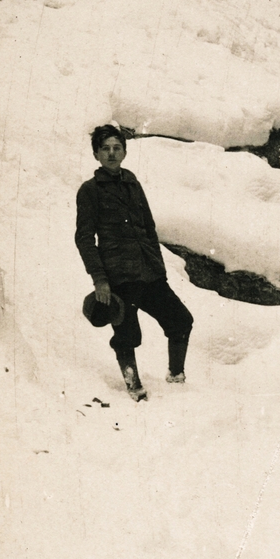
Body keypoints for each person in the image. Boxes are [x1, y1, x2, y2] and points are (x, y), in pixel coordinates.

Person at [75, 124, 193, 399]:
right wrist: (100, 280)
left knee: (181, 321)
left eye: (117, 148)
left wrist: (159, 269)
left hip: (148, 273)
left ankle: (176, 377)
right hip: (119, 278)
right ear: (96, 155)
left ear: (125, 152)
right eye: (105, 148)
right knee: (128, 335)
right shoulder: (89, 191)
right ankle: (134, 386)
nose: (112, 153)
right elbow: (84, 239)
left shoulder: (133, 183)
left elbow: (149, 229)